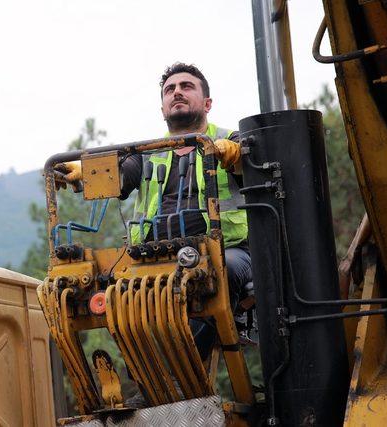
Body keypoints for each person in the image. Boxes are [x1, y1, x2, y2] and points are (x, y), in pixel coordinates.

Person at [56, 62, 252, 360]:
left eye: (186, 87)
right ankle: (146, 376)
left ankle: (179, 378)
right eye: (169, 90)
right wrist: (84, 172)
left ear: (207, 103)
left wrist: (234, 154)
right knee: (110, 292)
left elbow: (250, 166)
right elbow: (120, 176)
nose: (177, 93)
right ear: (162, 108)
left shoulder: (230, 140)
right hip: (156, 253)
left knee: (220, 274)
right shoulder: (147, 153)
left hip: (225, 248)